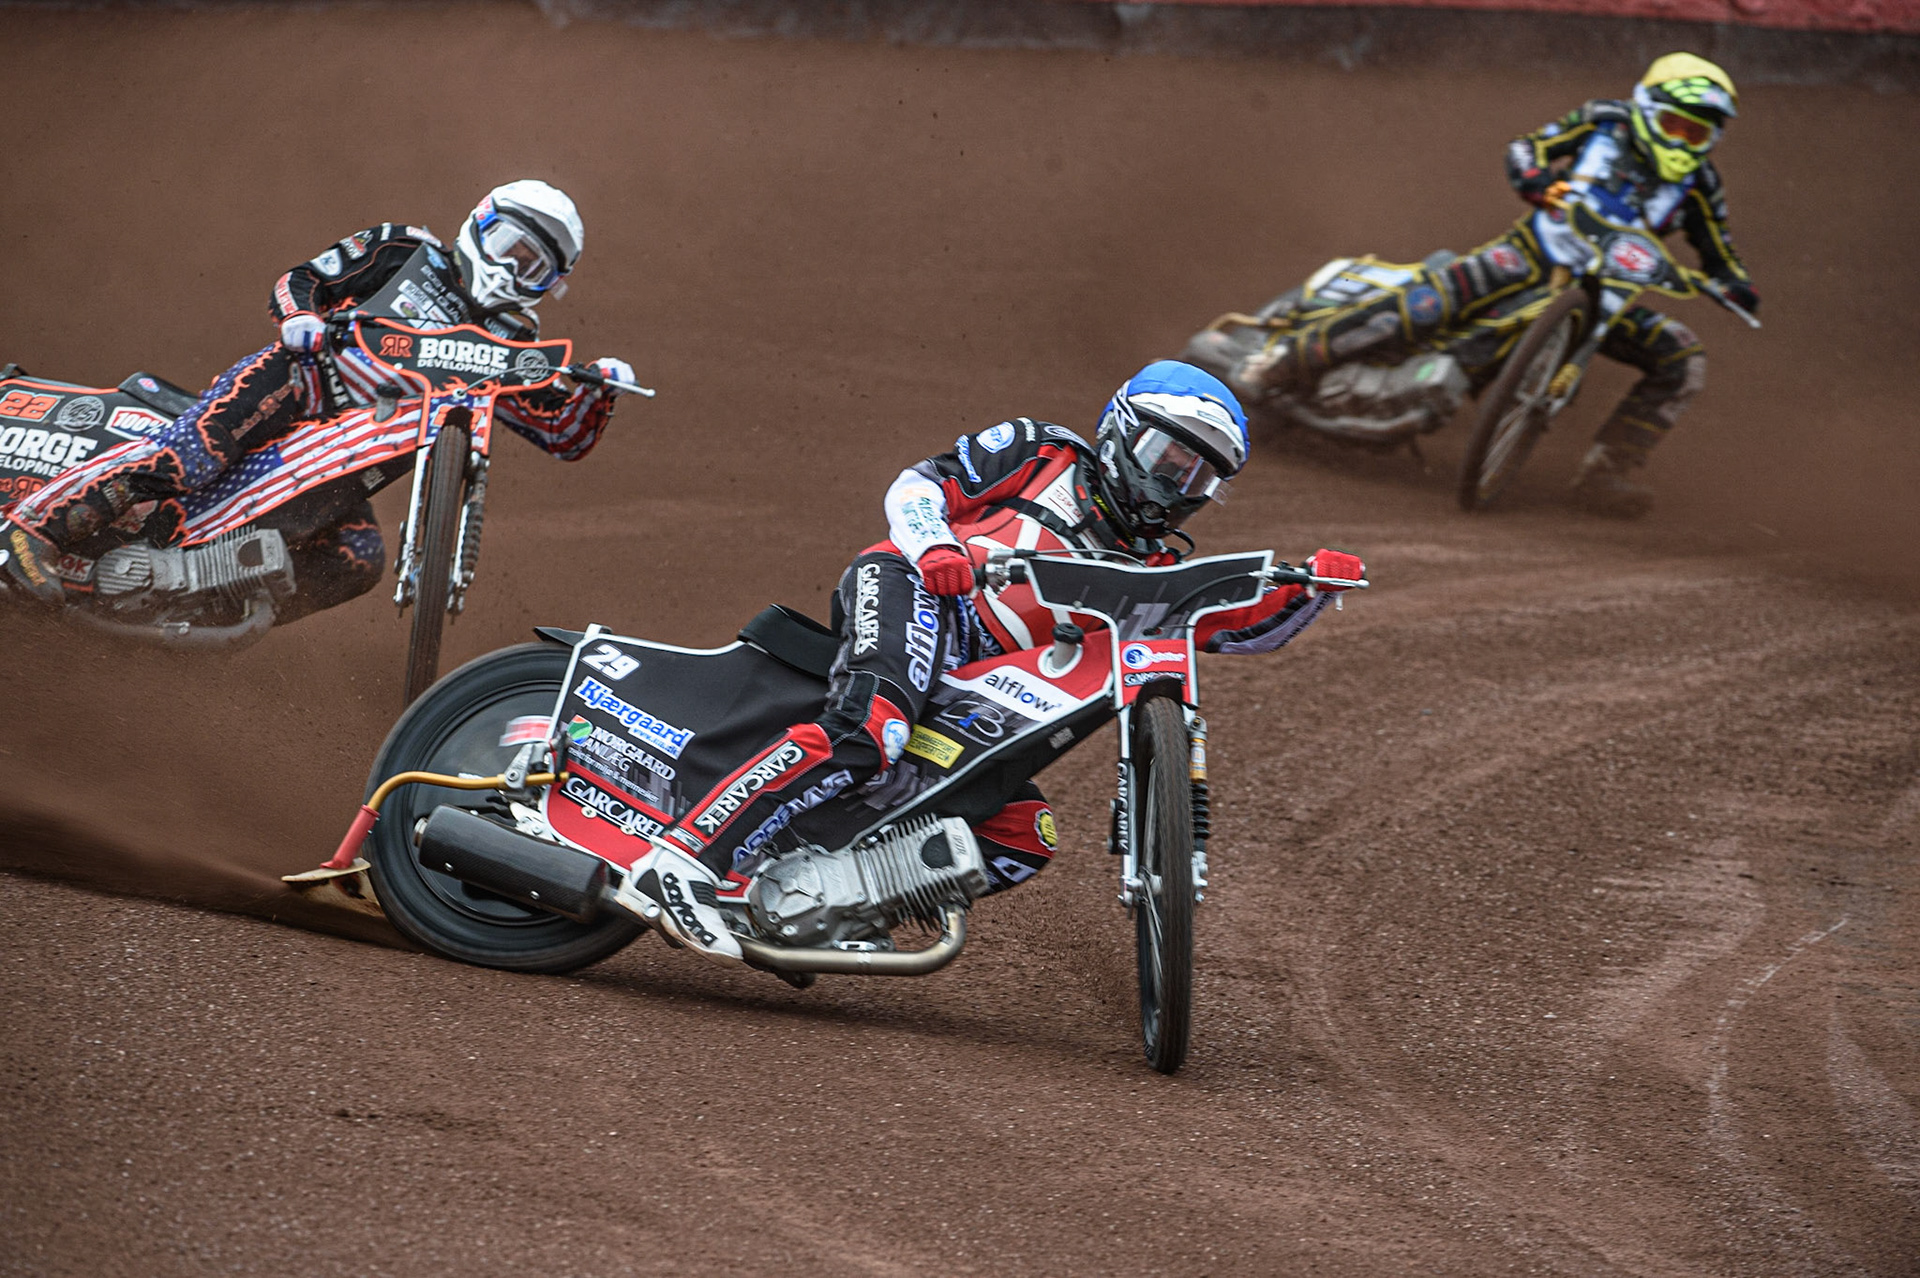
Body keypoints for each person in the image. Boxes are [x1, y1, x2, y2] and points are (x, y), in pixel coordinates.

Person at [623, 359, 1364, 965]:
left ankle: (822, 900)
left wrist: (1312, 589)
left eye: (1198, 477)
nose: (1175, 486)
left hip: (982, 695)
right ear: (1119, 432)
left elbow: (1237, 630)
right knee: (870, 731)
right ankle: (683, 857)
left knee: (1022, 835)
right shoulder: (1042, 451)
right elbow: (917, 485)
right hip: (916, 590)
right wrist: (935, 546)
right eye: (1166, 459)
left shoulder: (1157, 572)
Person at [0, 180, 639, 612]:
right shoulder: (404, 250)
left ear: (551, 284)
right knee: (193, 453)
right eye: (509, 247)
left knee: (358, 559)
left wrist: (600, 389)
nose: (512, 269)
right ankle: (34, 531)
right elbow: (303, 278)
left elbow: (561, 434)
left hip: (352, 455)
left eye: (535, 267)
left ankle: (206, 607)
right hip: (301, 381)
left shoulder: (513, 341)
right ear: (480, 226)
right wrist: (300, 317)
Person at [1227, 53, 1756, 518]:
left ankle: (1605, 473)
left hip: (1608, 294)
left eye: (1698, 133)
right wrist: (1538, 181)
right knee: (1425, 305)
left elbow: (1719, 248)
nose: (1686, 141)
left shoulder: (1700, 184)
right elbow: (1529, 148)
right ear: (1646, 108)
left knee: (1682, 357)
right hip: (1527, 253)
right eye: (1676, 125)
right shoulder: (1604, 121)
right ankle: (1284, 361)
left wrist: (1733, 285)